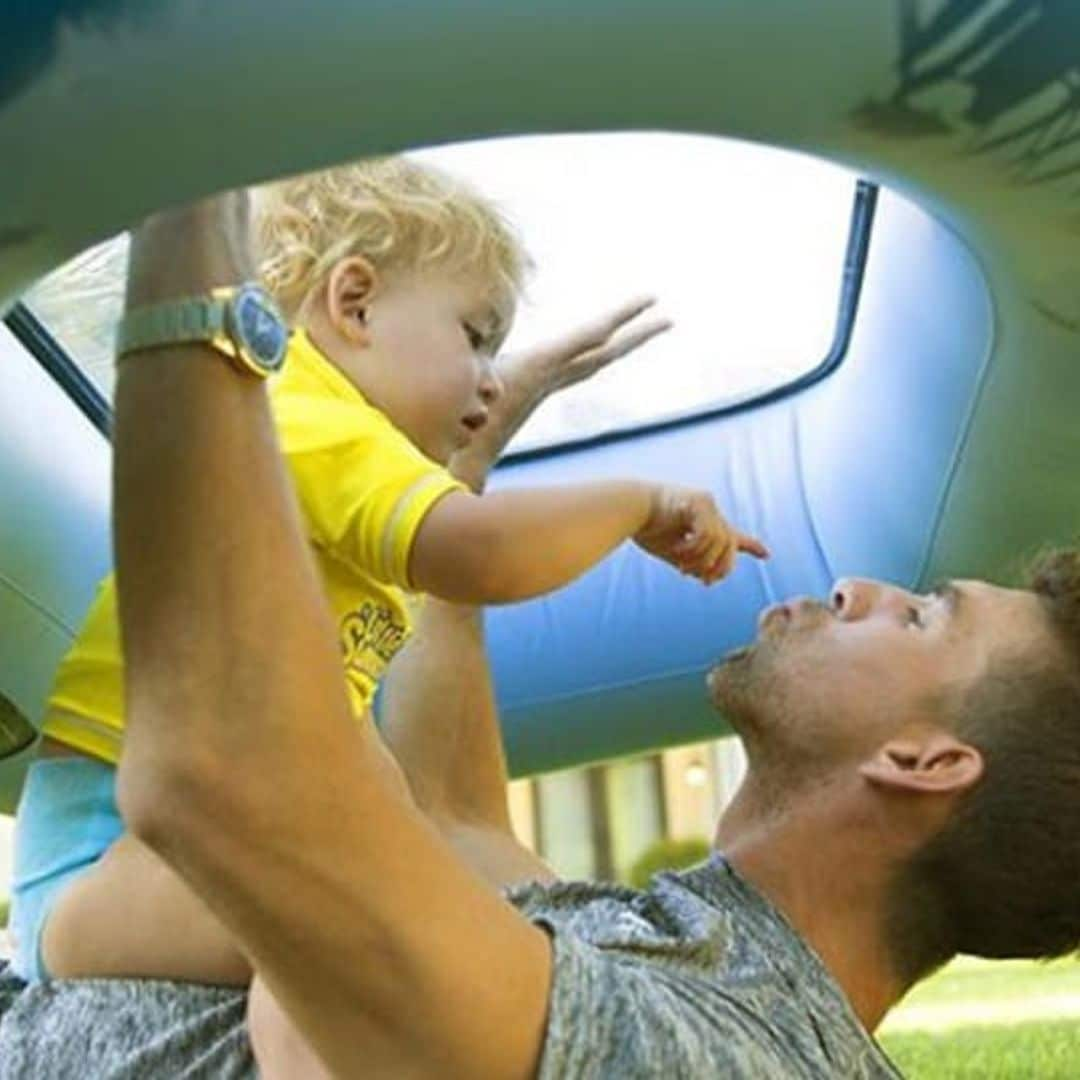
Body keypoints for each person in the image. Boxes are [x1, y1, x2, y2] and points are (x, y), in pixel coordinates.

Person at [1, 191, 1079, 1079]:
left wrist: (197, 249)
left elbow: (227, 803)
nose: (859, 587)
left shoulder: (709, 1055)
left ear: (925, 762)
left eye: (926, 614)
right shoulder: (685, 944)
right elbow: (456, 818)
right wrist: (450, 476)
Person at [6, 156, 765, 1006]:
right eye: (475, 335)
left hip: (162, 851)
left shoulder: (334, 473)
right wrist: (638, 502)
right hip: (107, 858)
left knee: (412, 903)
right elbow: (478, 554)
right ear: (354, 302)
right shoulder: (301, 417)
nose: (488, 377)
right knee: (386, 937)